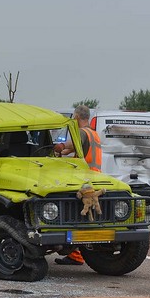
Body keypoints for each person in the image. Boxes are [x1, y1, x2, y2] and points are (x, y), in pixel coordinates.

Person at [53, 105, 103, 266]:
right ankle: (83, 252)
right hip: (95, 176)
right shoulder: (93, 133)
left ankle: (76, 255)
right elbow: (76, 151)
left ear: (76, 118)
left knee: (74, 214)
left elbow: (72, 144)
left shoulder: (81, 132)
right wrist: (63, 154)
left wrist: (60, 147)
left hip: (84, 179)